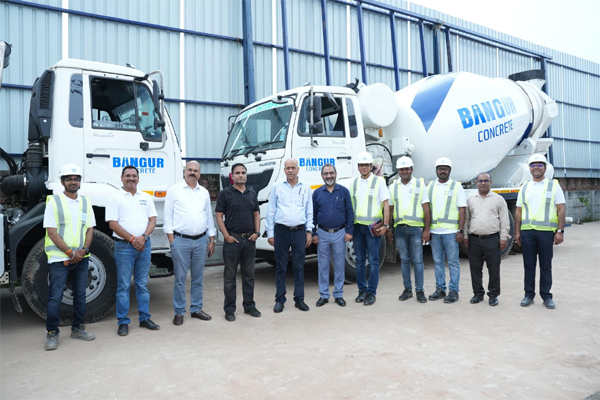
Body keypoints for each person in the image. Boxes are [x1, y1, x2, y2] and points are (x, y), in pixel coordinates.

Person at [43, 164, 95, 351]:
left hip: (81, 257)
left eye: (76, 179)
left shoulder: (85, 202)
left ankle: (78, 328)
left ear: (80, 181)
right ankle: (52, 332)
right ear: (62, 182)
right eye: (69, 179)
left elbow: (90, 229)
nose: (73, 182)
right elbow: (52, 232)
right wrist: (70, 253)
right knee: (55, 297)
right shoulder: (54, 202)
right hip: (59, 258)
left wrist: (84, 250)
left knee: (80, 295)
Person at [106, 166, 160, 336]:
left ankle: (144, 318)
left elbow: (152, 220)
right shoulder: (114, 197)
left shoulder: (146, 197)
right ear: (121, 178)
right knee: (123, 285)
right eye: (128, 175)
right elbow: (113, 224)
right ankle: (123, 322)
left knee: (142, 284)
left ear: (138, 178)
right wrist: (132, 239)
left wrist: (143, 237)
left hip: (144, 245)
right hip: (124, 247)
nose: (131, 178)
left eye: (134, 176)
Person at [164, 161, 216, 325]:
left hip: (201, 241)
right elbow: (168, 216)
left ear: (199, 173)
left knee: (198, 278)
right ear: (184, 171)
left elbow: (208, 216)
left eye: (195, 170)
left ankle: (196, 309)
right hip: (180, 241)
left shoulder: (204, 192)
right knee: (180, 279)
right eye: (189, 170)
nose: (192, 173)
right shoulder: (174, 190)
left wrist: (211, 239)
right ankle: (179, 312)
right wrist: (172, 240)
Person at [514, 154, 566, 309]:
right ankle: (528, 295)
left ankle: (546, 296)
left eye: (539, 165)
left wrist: (560, 231)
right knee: (529, 265)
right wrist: (517, 231)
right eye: (533, 165)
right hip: (527, 232)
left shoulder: (553, 186)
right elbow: (518, 211)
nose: (536, 167)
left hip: (546, 232)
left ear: (545, 168)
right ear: (529, 169)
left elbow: (561, 209)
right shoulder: (524, 186)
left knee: (545, 265)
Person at [266, 158, 313, 313]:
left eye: (293, 168)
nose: (290, 170)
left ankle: (299, 299)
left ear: (298, 169)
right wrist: (271, 234)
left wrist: (309, 231)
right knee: (281, 267)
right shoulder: (277, 186)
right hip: (281, 231)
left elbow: (309, 210)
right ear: (284, 170)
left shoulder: (305, 187)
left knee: (299, 267)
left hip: (299, 231)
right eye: (288, 168)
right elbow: (271, 210)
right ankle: (280, 300)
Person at [215, 163, 262, 321]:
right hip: (232, 240)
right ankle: (229, 309)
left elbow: (256, 213)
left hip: (249, 240)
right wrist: (226, 236)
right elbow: (219, 215)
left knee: (249, 275)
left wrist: (256, 232)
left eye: (243, 172)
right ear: (232, 175)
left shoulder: (251, 193)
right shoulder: (225, 193)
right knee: (230, 277)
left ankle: (249, 306)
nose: (241, 175)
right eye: (237, 173)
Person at [387, 156, 431, 304]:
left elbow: (426, 208)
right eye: (401, 169)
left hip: (416, 229)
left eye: (407, 169)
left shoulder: (420, 185)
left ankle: (420, 291)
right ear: (398, 171)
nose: (404, 171)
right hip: (399, 229)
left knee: (417, 260)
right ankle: (407, 290)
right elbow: (390, 209)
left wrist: (426, 230)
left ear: (412, 169)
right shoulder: (393, 187)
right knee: (404, 260)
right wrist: (388, 228)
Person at [349, 152, 390, 306]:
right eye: (361, 165)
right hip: (358, 227)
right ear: (358, 167)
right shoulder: (354, 183)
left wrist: (386, 225)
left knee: (373, 260)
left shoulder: (379, 181)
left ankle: (371, 293)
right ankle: (362, 291)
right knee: (359, 260)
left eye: (366, 165)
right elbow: (351, 206)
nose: (364, 167)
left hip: (373, 228)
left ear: (371, 166)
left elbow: (386, 204)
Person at [463, 172, 510, 307]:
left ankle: (493, 295)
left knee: (494, 268)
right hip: (474, 239)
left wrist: (503, 237)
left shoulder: (498, 199)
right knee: (475, 268)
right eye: (480, 181)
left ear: (491, 182)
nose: (483, 183)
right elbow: (466, 219)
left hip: (492, 239)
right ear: (476, 183)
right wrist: (465, 235)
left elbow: (504, 220)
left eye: (486, 180)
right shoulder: (470, 199)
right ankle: (478, 293)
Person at [312, 163, 354, 307]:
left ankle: (338, 294)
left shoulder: (343, 192)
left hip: (339, 233)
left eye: (331, 173)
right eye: (326, 173)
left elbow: (349, 212)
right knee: (323, 265)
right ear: (322, 176)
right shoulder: (317, 193)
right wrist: (313, 233)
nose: (329, 176)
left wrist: (349, 231)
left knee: (339, 265)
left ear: (335, 174)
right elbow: (313, 215)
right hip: (322, 234)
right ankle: (324, 295)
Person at [427, 157, 466, 304]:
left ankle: (454, 291)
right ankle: (440, 289)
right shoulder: (430, 186)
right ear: (436, 170)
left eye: (445, 169)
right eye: (440, 169)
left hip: (451, 232)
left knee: (453, 262)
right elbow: (426, 209)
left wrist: (460, 230)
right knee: (438, 262)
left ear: (450, 170)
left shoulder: (456, 186)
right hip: (435, 232)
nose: (442, 171)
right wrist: (427, 229)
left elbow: (462, 209)